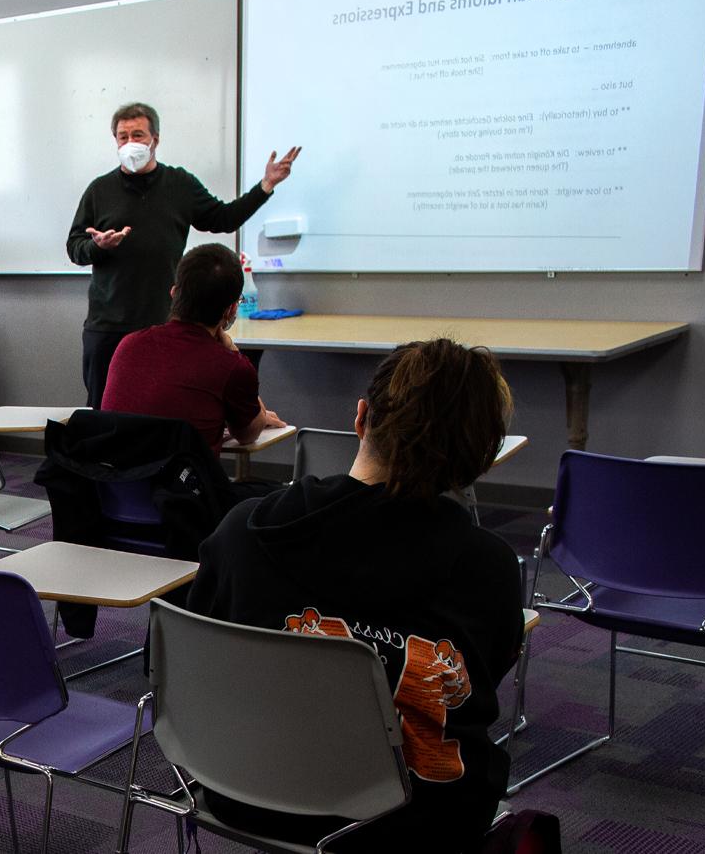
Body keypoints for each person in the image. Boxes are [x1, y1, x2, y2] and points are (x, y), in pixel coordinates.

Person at [183, 339, 525, 852]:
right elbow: (481, 684)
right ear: (481, 459)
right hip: (409, 820)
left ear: (361, 417)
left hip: (243, 790)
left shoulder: (241, 532)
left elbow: (190, 664)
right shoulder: (489, 569)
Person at [66, 101, 300, 408]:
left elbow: (224, 218)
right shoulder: (100, 190)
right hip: (108, 325)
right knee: (103, 407)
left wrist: (266, 185)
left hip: (163, 323)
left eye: (137, 134)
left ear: (155, 140)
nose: (129, 143)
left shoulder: (179, 184)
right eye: (122, 137)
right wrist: (99, 246)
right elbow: (75, 247)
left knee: (160, 406)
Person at [99, 243, 286, 453]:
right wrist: (233, 351)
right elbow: (247, 434)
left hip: (113, 482)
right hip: (181, 484)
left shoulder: (128, 345)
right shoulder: (230, 366)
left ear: (174, 293)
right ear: (231, 308)